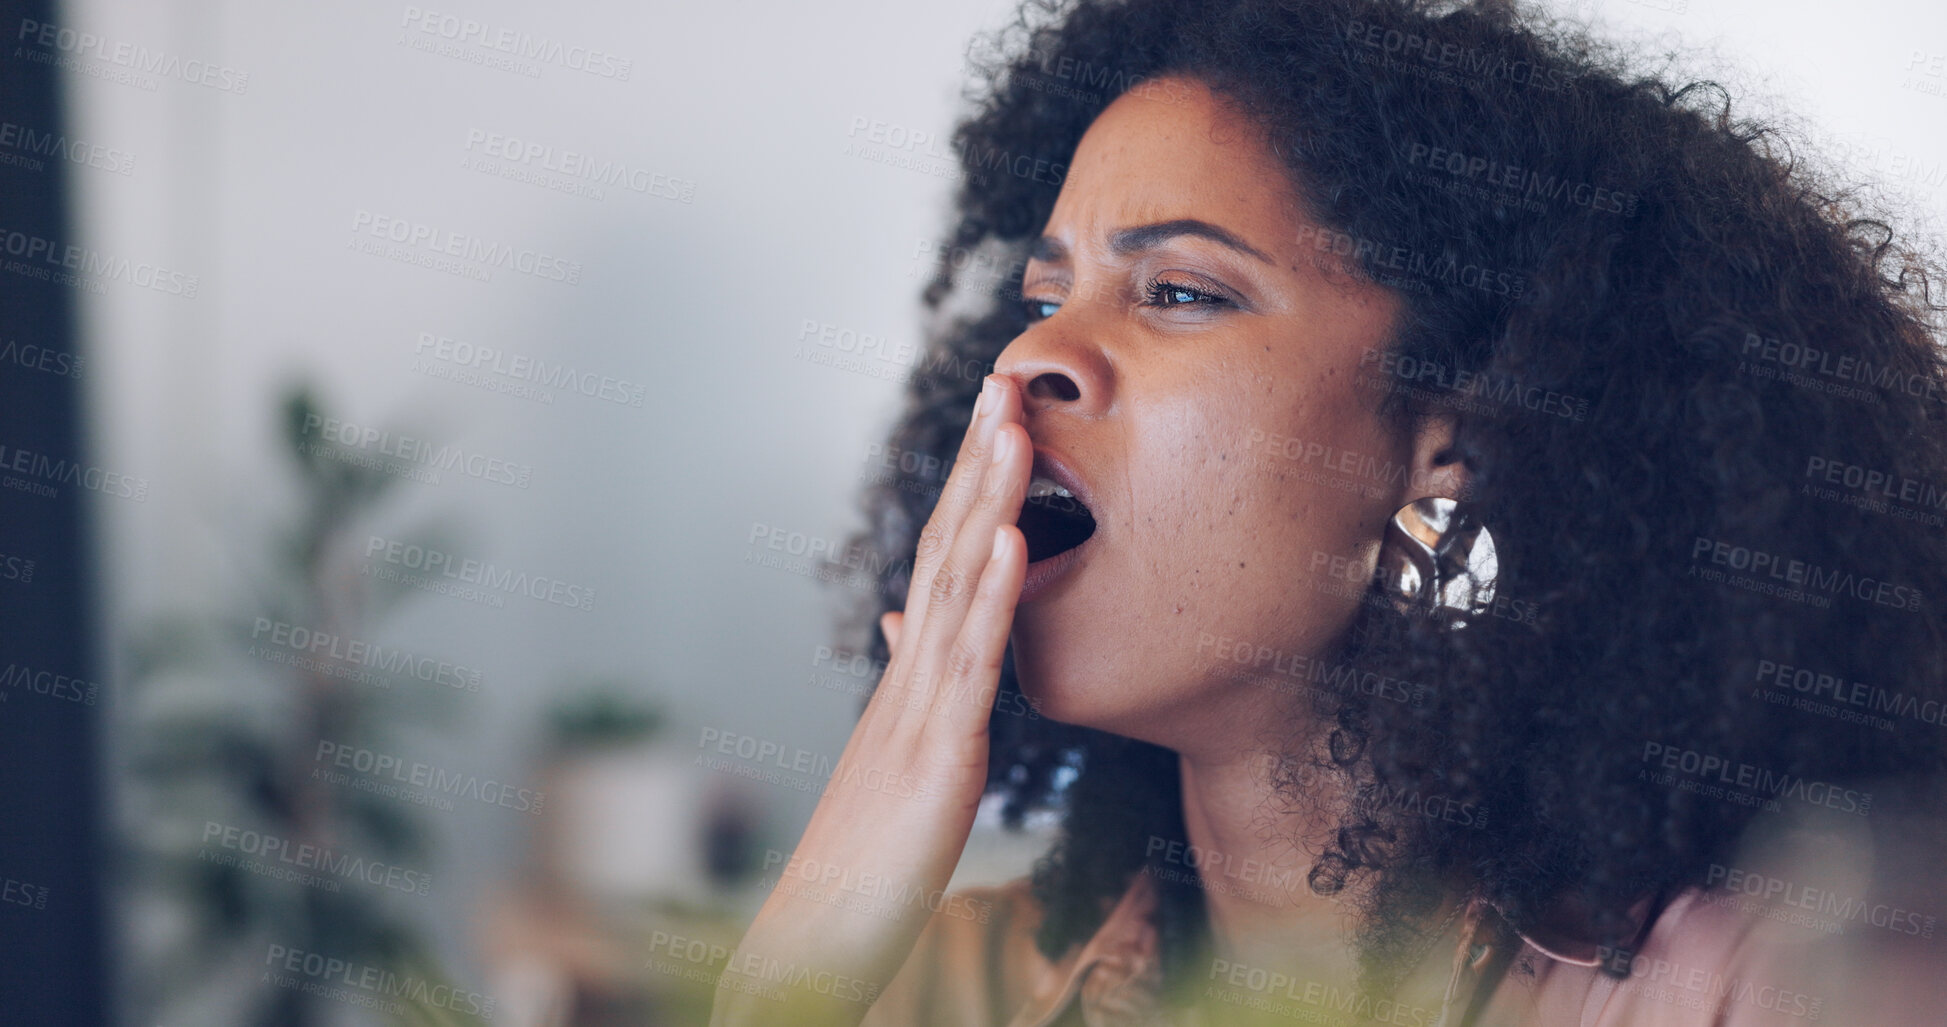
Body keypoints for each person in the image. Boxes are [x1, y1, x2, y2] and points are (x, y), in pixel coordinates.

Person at [714, 0, 1947, 1023]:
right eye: (1046, 295)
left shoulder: (1750, 987)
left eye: (1182, 290)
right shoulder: (933, 986)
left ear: (1444, 449)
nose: (1034, 356)